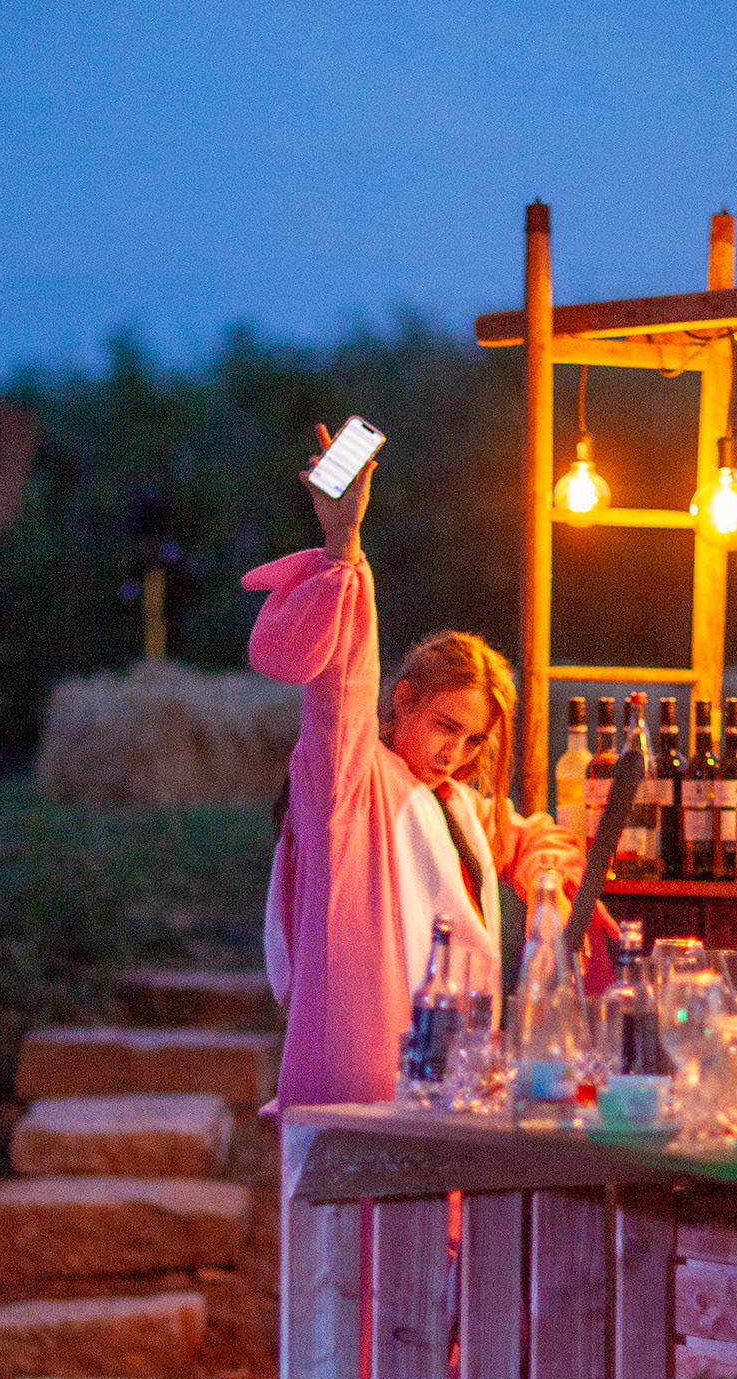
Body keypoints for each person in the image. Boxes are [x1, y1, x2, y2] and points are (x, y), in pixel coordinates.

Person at [246, 421, 589, 1112]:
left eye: (474, 740)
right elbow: (340, 686)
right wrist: (344, 547)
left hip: (455, 1066)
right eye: (445, 727)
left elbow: (528, 836)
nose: (455, 753)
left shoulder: (455, 803)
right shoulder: (352, 782)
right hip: (367, 1062)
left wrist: (544, 878)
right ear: (402, 700)